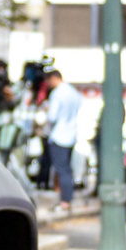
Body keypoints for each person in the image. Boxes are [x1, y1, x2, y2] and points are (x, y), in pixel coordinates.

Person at [42, 68, 84, 213]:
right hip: (71, 134)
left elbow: (52, 117)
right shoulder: (73, 92)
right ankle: (67, 198)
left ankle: (65, 201)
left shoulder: (57, 93)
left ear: (53, 78)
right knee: (67, 169)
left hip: (59, 135)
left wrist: (46, 111)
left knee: (61, 169)